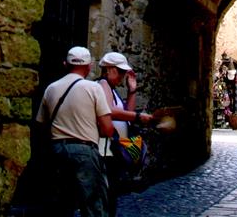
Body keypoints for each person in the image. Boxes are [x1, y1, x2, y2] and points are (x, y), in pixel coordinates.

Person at [35, 46, 115, 217]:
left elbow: (41, 125)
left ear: (65, 64)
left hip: (57, 150)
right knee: (93, 204)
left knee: (60, 204)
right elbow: (108, 129)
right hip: (84, 151)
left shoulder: (51, 88)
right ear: (89, 67)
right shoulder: (93, 88)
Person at [96, 51, 156, 215]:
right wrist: (138, 116)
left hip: (113, 149)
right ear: (110, 69)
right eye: (121, 72)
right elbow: (109, 111)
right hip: (105, 150)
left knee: (112, 194)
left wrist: (132, 91)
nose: (123, 76)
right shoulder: (102, 85)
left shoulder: (112, 89)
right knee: (106, 194)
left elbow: (125, 116)